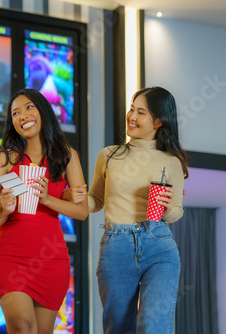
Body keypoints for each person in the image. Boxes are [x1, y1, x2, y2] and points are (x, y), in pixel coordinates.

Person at [70, 86, 188, 333]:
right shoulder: (110, 155)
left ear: (158, 120)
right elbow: (95, 201)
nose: (131, 117)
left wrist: (166, 209)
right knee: (118, 328)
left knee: (153, 325)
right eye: (131, 109)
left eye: (140, 112)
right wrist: (73, 196)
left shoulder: (172, 161)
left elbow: (177, 211)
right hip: (116, 244)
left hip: (159, 244)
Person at [0, 88, 88, 334]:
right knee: (22, 327)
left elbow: (81, 212)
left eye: (29, 107)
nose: (23, 116)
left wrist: (48, 199)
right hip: (11, 256)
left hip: (51, 258)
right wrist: (5, 207)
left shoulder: (67, 157)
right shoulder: (5, 159)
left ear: (43, 110)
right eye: (15, 113)